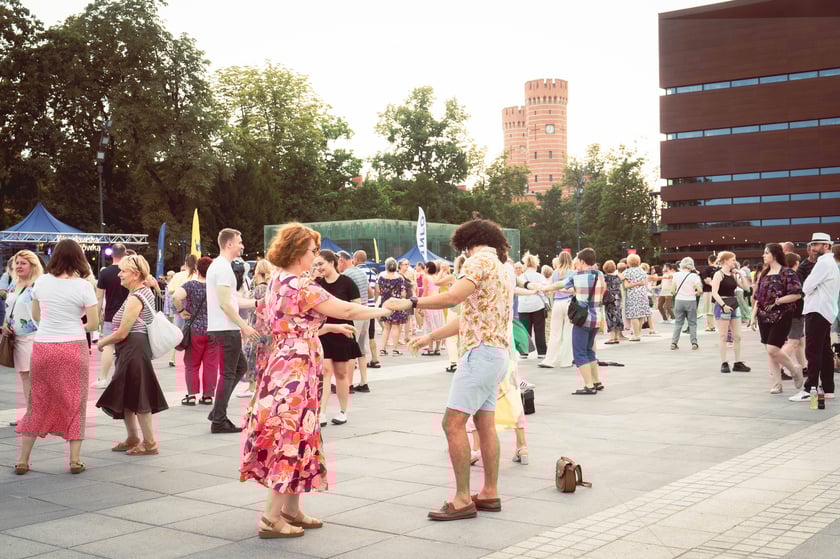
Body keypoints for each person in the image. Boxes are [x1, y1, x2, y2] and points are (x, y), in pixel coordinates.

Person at [239, 223, 392, 538]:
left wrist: (328, 329)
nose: (315, 257)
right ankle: (270, 519)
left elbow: (292, 323)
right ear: (298, 252)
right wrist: (381, 311)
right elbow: (345, 309)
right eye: (312, 251)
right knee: (290, 436)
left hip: (284, 363)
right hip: (296, 370)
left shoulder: (277, 280)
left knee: (299, 433)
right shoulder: (301, 285)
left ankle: (290, 509)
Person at [387, 218, 513, 521]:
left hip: (479, 354)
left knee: (453, 424)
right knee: (485, 424)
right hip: (497, 353)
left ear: (467, 244)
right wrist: (430, 337)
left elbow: (453, 297)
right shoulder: (502, 267)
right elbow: (469, 317)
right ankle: (489, 492)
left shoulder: (477, 262)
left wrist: (411, 303)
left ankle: (461, 499)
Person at [15, 239, 99, 475]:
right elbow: (94, 323)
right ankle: (74, 460)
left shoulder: (41, 282)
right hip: (72, 347)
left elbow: (36, 315)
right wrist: (76, 324)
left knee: (37, 401)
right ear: (79, 258)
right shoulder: (83, 286)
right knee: (75, 401)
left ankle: (23, 460)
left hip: (43, 347)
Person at [95, 254, 168, 455]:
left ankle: (149, 443)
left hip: (133, 348)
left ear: (135, 274)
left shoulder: (137, 296)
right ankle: (133, 437)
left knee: (139, 394)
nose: (119, 274)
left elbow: (122, 332)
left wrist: (102, 342)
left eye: (123, 271)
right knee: (127, 392)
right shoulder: (138, 292)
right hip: (131, 348)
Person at [206, 229, 259, 434]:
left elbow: (232, 300)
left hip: (224, 328)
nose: (242, 245)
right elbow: (225, 304)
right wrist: (243, 325)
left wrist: (257, 303)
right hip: (226, 329)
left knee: (239, 368)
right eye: (239, 241)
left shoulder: (220, 266)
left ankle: (217, 412)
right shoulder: (223, 268)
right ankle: (219, 420)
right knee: (228, 373)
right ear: (229, 244)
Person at [789, 233, 840, 402]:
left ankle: (809, 389)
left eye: (816, 245)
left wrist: (810, 287)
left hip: (816, 311)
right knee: (824, 351)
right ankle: (828, 389)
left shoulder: (823, 263)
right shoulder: (831, 262)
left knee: (812, 351)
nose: (813, 248)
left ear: (827, 246)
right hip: (825, 311)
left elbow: (806, 287)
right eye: (812, 245)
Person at [315, 249, 363, 427]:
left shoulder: (347, 283)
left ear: (331, 262)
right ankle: (321, 412)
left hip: (343, 332)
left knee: (341, 373)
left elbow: (357, 308)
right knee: (325, 371)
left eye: (321, 264)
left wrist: (354, 329)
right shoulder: (317, 284)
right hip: (323, 332)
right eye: (316, 265)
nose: (318, 268)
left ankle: (343, 411)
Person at [748, 243, 803, 394]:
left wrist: (778, 301)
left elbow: (797, 294)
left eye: (766, 253)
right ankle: (778, 384)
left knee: (773, 348)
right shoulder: (764, 274)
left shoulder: (787, 273)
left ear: (775, 254)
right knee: (770, 351)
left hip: (782, 315)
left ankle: (794, 370)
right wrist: (753, 316)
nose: (763, 255)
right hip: (763, 317)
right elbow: (758, 298)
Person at [557, 248, 606, 395]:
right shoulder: (600, 274)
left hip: (583, 319)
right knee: (589, 350)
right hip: (596, 318)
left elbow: (559, 285)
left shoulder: (577, 276)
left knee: (579, 352)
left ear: (582, 261)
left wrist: (542, 288)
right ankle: (596, 381)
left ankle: (589, 385)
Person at [2, 250, 43, 426]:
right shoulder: (14, 284)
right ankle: (31, 414)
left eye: (23, 263)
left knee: (33, 378)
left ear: (33, 266)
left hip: (33, 337)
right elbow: (9, 308)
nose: (18, 266)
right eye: (17, 263)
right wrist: (5, 324)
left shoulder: (38, 285)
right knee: (26, 377)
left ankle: (34, 415)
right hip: (16, 339)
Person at [172, 256, 218, 406]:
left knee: (192, 364)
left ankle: (191, 395)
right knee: (211, 365)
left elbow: (175, 297)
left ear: (197, 270)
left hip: (195, 330)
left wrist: (181, 311)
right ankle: (208, 396)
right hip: (213, 330)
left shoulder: (191, 285)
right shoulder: (217, 287)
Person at [93, 243, 129, 388]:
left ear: (111, 254)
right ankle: (125, 379)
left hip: (111, 315)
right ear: (125, 253)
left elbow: (99, 297)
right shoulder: (130, 272)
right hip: (129, 314)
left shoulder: (105, 273)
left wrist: (97, 316)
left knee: (108, 346)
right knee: (128, 347)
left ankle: (102, 378)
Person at [339, 250, 375, 390]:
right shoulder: (361, 273)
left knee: (351, 349)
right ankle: (364, 382)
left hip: (355, 315)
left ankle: (348, 384)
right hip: (365, 313)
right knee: (361, 349)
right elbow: (371, 294)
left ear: (341, 260)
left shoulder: (346, 275)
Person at [238, 259, 274, 399]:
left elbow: (251, 307)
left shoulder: (258, 290)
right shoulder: (270, 289)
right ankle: (264, 385)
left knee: (253, 356)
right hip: (268, 328)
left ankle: (253, 386)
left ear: (257, 272)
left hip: (256, 327)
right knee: (265, 357)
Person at [710, 251, 751, 374]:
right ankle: (724, 362)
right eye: (733, 260)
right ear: (725, 261)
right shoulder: (719, 274)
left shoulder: (733, 275)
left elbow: (746, 288)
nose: (735, 262)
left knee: (737, 336)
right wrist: (723, 305)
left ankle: (737, 362)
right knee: (723, 336)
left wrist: (741, 274)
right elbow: (714, 292)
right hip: (722, 305)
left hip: (733, 305)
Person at [538, 251, 576, 365]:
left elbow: (551, 289)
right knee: (568, 332)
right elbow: (574, 290)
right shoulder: (573, 273)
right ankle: (566, 361)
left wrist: (555, 289)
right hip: (569, 302)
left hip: (557, 303)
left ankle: (550, 360)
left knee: (554, 333)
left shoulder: (555, 273)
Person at [167, 254, 198, 367]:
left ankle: (173, 357)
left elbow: (170, 290)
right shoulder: (196, 276)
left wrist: (179, 291)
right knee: (192, 332)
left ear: (185, 263)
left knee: (177, 331)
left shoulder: (178, 275)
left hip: (178, 305)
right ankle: (190, 357)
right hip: (192, 306)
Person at [517, 252, 548, 359]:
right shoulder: (540, 276)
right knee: (539, 330)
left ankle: (524, 352)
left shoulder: (521, 277)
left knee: (524, 330)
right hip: (537, 305)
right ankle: (542, 352)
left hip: (523, 306)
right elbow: (546, 290)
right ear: (536, 264)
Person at [376, 257, 407, 356]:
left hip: (385, 303)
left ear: (386, 266)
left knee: (386, 327)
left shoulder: (381, 277)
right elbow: (403, 293)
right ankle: (395, 349)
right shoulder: (399, 278)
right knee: (396, 326)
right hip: (396, 303)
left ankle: (382, 349)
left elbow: (378, 291)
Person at [670, 257, 703, 350]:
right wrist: (695, 293)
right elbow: (700, 290)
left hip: (679, 301)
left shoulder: (676, 275)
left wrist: (678, 294)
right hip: (691, 301)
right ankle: (694, 343)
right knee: (692, 323)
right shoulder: (694, 276)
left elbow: (672, 291)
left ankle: (674, 343)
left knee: (678, 323)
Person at [420, 261, 444, 355]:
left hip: (429, 302)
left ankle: (430, 348)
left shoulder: (426, 278)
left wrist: (420, 304)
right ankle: (437, 348)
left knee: (429, 325)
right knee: (438, 325)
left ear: (428, 268)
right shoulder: (436, 277)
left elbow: (425, 292)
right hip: (438, 302)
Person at [622, 254, 649, 341]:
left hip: (632, 295)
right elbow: (645, 283)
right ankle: (638, 334)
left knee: (634, 315)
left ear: (629, 262)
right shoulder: (642, 271)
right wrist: (639, 283)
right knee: (641, 315)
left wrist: (635, 284)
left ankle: (636, 335)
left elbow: (626, 286)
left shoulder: (627, 272)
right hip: (643, 294)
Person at [601, 259, 624, 345]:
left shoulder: (605, 277)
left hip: (609, 298)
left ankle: (612, 337)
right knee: (617, 316)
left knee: (610, 316)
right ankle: (616, 337)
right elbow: (620, 288)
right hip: (617, 298)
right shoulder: (618, 277)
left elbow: (604, 288)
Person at [700, 254, 719, 331]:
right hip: (718, 291)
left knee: (709, 308)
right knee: (715, 308)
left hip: (708, 291)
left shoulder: (707, 269)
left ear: (709, 261)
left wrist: (712, 284)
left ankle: (710, 326)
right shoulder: (719, 269)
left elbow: (706, 280)